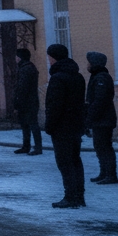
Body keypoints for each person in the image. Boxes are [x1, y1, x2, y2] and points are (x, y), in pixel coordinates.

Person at [44, 43, 86, 209]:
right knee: (75, 160)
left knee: (64, 162)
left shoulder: (58, 78)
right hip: (76, 124)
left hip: (62, 126)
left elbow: (55, 105)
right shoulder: (78, 76)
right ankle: (79, 195)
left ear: (53, 58)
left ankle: (70, 196)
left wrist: (49, 125)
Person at [85, 52, 118, 185]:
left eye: (89, 62)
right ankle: (104, 172)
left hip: (103, 119)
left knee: (104, 147)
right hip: (102, 118)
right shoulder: (98, 76)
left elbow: (99, 101)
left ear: (94, 63)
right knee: (100, 147)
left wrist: (90, 117)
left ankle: (110, 174)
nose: (87, 64)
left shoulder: (101, 78)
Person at [13, 48, 42, 156]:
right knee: (26, 124)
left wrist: (17, 102)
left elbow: (22, 88)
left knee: (32, 124)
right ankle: (27, 146)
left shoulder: (25, 69)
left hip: (27, 102)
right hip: (30, 100)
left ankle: (35, 147)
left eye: (16, 56)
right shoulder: (28, 67)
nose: (15, 59)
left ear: (20, 57)